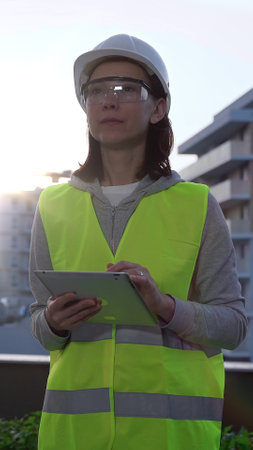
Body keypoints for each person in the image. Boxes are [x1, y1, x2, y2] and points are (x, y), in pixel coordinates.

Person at [29, 34, 247, 450]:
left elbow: (233, 326)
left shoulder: (198, 205)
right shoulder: (51, 205)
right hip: (72, 439)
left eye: (126, 89)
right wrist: (55, 322)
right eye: (96, 91)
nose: (108, 101)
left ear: (158, 108)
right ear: (87, 110)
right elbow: (40, 321)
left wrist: (165, 307)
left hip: (170, 440)